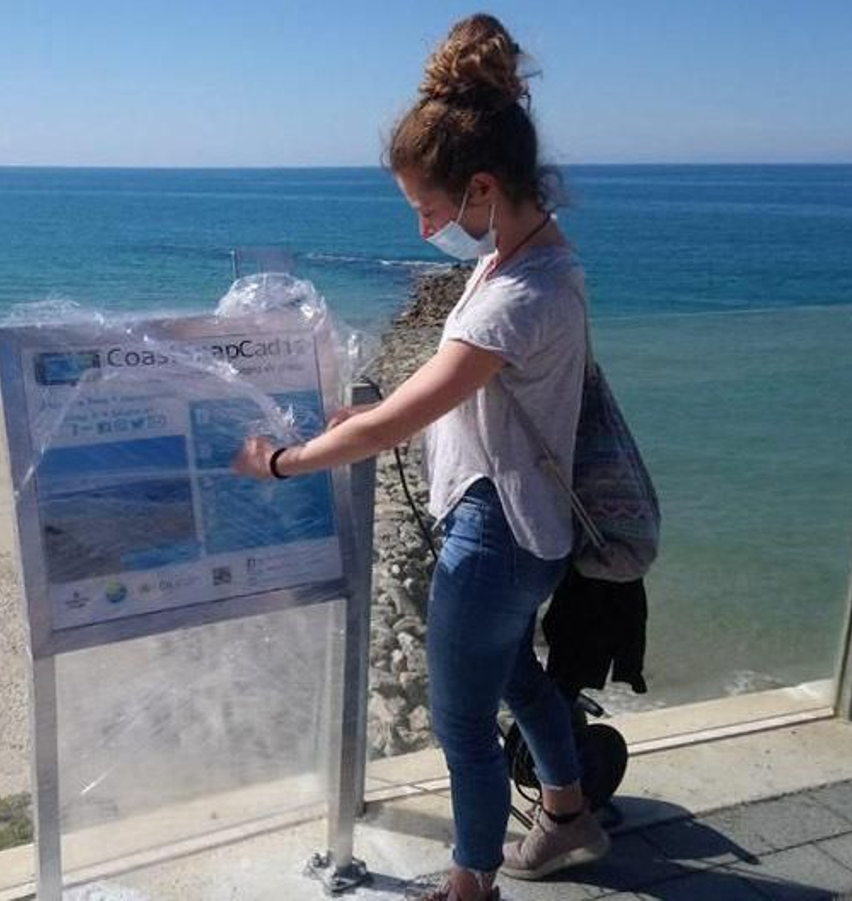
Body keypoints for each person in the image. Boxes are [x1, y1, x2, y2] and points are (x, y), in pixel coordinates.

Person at [230, 13, 607, 900]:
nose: (426, 228)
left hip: (496, 535)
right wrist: (357, 413)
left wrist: (283, 461)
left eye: (429, 210)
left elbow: (391, 426)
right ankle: (567, 810)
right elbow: (446, 405)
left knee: (462, 717)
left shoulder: (509, 296)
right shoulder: (543, 260)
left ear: (482, 189)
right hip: (536, 526)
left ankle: (471, 881)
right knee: (516, 673)